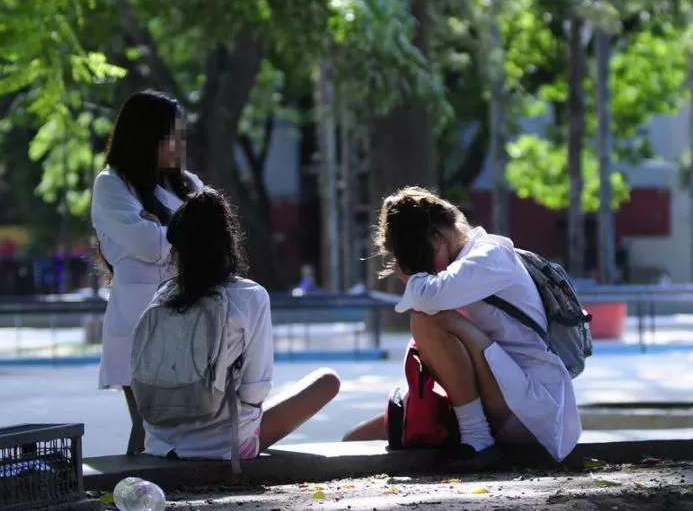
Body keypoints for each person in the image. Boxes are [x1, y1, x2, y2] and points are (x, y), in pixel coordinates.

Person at [343, 186, 582, 467]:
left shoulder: (492, 254)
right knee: (354, 439)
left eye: (422, 260)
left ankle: (477, 440)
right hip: (501, 398)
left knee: (426, 318)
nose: (428, 272)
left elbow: (425, 296)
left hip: (534, 408)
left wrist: (412, 275)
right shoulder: (462, 268)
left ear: (438, 235)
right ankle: (474, 431)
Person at [134, 187, 341, 460]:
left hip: (161, 446)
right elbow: (255, 392)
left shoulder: (163, 296)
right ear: (228, 243)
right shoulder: (250, 296)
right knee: (327, 381)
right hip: (225, 447)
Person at [90, 90, 203, 455]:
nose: (178, 143)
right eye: (171, 134)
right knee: (149, 424)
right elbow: (147, 246)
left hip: (189, 321)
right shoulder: (111, 184)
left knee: (182, 427)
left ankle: (163, 493)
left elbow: (213, 237)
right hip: (137, 322)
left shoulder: (188, 184)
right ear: (145, 135)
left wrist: (161, 226)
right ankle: (135, 495)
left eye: (180, 134)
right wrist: (179, 231)